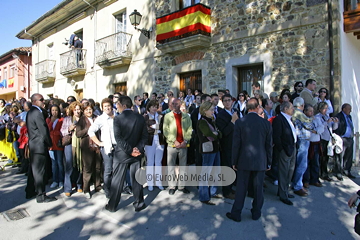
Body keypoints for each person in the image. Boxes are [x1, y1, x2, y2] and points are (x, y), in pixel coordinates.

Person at [226, 98, 272, 222]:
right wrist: (269, 161)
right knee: (258, 189)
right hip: (260, 160)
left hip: (243, 160)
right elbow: (269, 145)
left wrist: (234, 161)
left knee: (241, 188)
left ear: (247, 108)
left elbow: (236, 144)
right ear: (257, 107)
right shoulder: (265, 123)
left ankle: (236, 213)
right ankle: (256, 212)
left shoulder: (240, 122)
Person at [106, 96, 148, 212]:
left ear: (124, 105)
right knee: (136, 180)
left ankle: (112, 205)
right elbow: (144, 137)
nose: (116, 107)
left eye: (118, 104)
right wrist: (137, 149)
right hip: (136, 153)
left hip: (122, 154)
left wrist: (130, 150)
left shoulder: (118, 119)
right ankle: (139, 203)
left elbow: (118, 138)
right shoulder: (140, 118)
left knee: (117, 180)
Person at [25, 93, 56, 203]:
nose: (44, 101)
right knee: (40, 172)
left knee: (33, 170)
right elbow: (43, 130)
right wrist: (49, 143)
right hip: (39, 146)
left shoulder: (30, 112)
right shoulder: (37, 113)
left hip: (34, 145)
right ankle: (41, 195)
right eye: (41, 100)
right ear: (34, 101)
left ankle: (30, 191)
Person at [88, 98, 116, 199]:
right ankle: (107, 189)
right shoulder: (101, 119)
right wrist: (99, 143)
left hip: (118, 146)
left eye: (109, 106)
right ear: (102, 108)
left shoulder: (116, 116)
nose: (107, 108)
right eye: (105, 106)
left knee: (116, 169)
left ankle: (115, 188)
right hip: (107, 147)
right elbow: (90, 131)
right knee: (108, 169)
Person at [163, 98, 193, 195]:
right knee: (171, 166)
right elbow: (166, 130)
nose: (175, 105)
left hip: (183, 145)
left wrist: (185, 140)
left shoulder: (186, 116)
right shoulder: (167, 116)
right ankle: (172, 186)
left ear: (180, 105)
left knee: (183, 166)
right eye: (173, 104)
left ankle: (181, 186)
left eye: (177, 104)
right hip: (172, 145)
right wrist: (174, 140)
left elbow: (189, 129)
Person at [197, 101, 222, 205]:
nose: (213, 111)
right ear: (204, 110)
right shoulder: (202, 122)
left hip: (215, 148)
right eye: (211, 109)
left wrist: (216, 134)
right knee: (205, 173)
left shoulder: (212, 120)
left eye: (213, 109)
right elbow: (209, 134)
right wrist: (216, 134)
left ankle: (213, 191)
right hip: (208, 149)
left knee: (216, 171)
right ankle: (203, 196)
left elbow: (219, 133)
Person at [76, 102, 102, 199]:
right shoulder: (82, 120)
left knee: (98, 167)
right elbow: (78, 134)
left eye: (90, 109)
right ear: (84, 111)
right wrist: (87, 129)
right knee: (87, 168)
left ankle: (98, 186)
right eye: (86, 109)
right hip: (87, 147)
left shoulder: (96, 118)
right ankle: (86, 189)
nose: (89, 111)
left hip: (97, 145)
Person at [272, 101, 296, 205]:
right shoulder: (279, 119)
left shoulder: (290, 119)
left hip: (292, 147)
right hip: (285, 150)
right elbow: (276, 136)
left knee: (290, 171)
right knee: (283, 172)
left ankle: (284, 190)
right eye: (291, 108)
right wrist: (281, 149)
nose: (293, 109)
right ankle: (283, 194)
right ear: (285, 109)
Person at [216, 94, 238, 200]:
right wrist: (232, 122)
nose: (228, 102)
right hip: (227, 146)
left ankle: (230, 187)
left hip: (236, 144)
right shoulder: (221, 115)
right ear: (223, 103)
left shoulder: (235, 112)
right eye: (225, 101)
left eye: (229, 100)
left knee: (233, 167)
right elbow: (224, 132)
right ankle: (226, 191)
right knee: (227, 168)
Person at [60, 101, 83, 197]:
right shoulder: (68, 119)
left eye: (79, 109)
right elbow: (62, 131)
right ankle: (68, 188)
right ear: (72, 111)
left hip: (81, 144)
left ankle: (79, 185)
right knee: (69, 165)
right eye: (75, 110)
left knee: (80, 165)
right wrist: (69, 129)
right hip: (70, 144)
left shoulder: (83, 119)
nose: (77, 111)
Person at [291, 99, 313, 197]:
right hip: (303, 140)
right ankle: (297, 185)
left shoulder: (294, 113)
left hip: (300, 140)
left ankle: (296, 183)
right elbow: (309, 125)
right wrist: (312, 119)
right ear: (302, 105)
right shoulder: (299, 114)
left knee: (299, 163)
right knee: (302, 164)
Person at [144, 100, 165, 191]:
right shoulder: (145, 117)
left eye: (156, 106)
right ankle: (150, 183)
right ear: (149, 108)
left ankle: (159, 182)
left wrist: (154, 128)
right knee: (150, 162)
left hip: (160, 142)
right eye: (153, 106)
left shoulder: (161, 117)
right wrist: (157, 129)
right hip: (149, 142)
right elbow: (146, 130)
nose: (155, 108)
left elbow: (163, 129)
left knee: (158, 162)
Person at [316, 102, 339, 181]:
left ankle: (324, 173)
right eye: (324, 108)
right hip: (321, 139)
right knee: (321, 157)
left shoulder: (327, 116)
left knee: (326, 157)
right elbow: (320, 128)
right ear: (320, 109)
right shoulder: (318, 117)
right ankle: (321, 173)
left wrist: (335, 123)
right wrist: (327, 122)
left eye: (327, 108)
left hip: (327, 139)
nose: (326, 110)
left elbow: (333, 128)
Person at [303, 104, 324, 188]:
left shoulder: (317, 119)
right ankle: (306, 180)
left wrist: (316, 131)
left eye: (312, 111)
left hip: (316, 142)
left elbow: (321, 128)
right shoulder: (304, 119)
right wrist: (313, 130)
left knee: (316, 162)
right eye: (310, 111)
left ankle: (314, 179)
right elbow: (307, 129)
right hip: (308, 143)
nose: (311, 113)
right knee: (306, 163)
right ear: (305, 111)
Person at [334, 103, 356, 179]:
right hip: (342, 138)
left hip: (349, 138)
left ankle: (347, 170)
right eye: (349, 109)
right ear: (344, 109)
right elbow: (336, 128)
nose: (350, 111)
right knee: (340, 156)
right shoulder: (338, 116)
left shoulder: (349, 116)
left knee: (349, 156)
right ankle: (338, 172)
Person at [46, 104, 64, 189]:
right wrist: (51, 122)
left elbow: (61, 131)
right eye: (52, 110)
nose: (54, 112)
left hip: (59, 144)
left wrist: (55, 133)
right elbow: (46, 130)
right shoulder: (48, 120)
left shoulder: (61, 120)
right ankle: (55, 180)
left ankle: (61, 180)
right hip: (51, 145)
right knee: (53, 163)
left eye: (56, 110)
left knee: (60, 163)